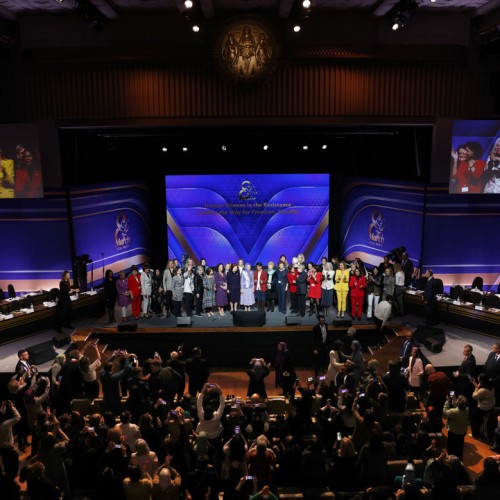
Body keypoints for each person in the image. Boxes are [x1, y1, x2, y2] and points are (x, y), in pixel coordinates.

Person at [443, 394, 469, 461]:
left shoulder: (453, 412)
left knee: (451, 448)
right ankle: (459, 461)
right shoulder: (467, 410)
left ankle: (451, 462)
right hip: (462, 432)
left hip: (453, 432)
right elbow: (459, 408)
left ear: (458, 403)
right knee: (459, 448)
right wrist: (455, 401)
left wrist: (447, 401)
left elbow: (445, 412)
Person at [470, 373, 495, 439]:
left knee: (473, 416)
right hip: (491, 405)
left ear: (482, 380)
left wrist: (476, 388)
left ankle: (476, 435)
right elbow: (479, 387)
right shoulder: (490, 384)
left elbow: (474, 396)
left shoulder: (483, 390)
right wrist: (474, 382)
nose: (477, 377)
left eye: (479, 377)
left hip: (484, 407)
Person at [453, 343, 476, 410]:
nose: (463, 352)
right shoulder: (468, 357)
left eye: (465, 351)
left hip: (465, 385)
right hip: (463, 383)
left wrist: (458, 375)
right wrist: (459, 371)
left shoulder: (470, 361)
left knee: (464, 399)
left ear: (469, 352)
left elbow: (468, 375)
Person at [484, 342, 500, 406]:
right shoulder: (491, 354)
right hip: (488, 381)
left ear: (498, 349)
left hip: (497, 384)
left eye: (493, 348)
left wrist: (493, 380)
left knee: (496, 399)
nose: (492, 348)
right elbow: (486, 364)